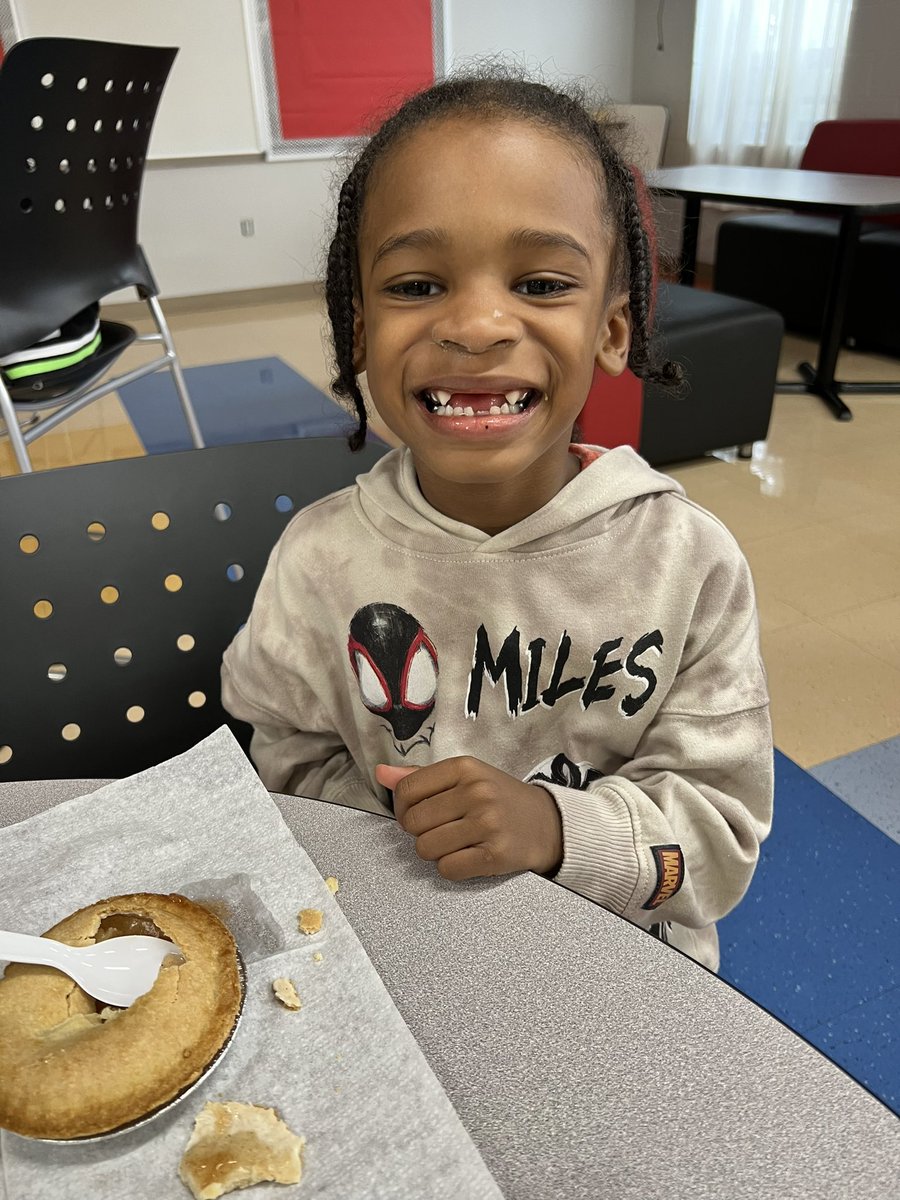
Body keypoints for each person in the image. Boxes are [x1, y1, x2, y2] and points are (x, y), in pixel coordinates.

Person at [221, 71, 773, 971]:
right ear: (358, 333)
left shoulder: (687, 563)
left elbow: (717, 840)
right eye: (416, 285)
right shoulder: (319, 559)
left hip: (625, 965)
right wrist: (401, 842)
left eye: (542, 282)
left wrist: (556, 829)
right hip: (400, 950)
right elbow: (287, 753)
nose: (477, 325)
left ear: (613, 331)